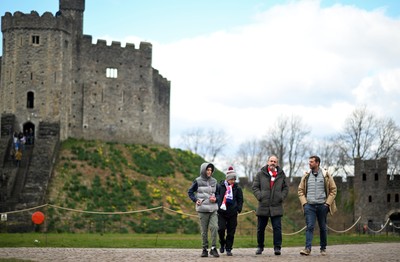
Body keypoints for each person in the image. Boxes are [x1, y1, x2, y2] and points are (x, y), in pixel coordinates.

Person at [298, 155, 337, 256]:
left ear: (317, 163)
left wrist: (327, 204)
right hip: (309, 206)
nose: (309, 163)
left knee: (323, 227)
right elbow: (300, 190)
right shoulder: (306, 176)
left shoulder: (326, 175)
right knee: (309, 226)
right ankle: (307, 249)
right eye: (309, 161)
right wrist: (305, 203)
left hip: (322, 206)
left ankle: (323, 248)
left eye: (311, 162)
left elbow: (333, 190)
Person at [252, 155, 288, 256]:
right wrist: (260, 196)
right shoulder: (260, 174)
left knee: (277, 228)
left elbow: (286, 188)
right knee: (260, 228)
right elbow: (255, 187)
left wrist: (281, 197)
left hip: (276, 205)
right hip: (263, 205)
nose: (273, 163)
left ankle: (277, 248)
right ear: (268, 162)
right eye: (271, 161)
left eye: (275, 161)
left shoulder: (281, 174)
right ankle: (260, 246)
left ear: (277, 163)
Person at [188, 162, 220, 258]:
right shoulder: (197, 181)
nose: (209, 172)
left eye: (210, 170)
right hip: (202, 209)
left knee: (214, 227)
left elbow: (218, 194)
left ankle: (213, 248)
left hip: (213, 209)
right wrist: (195, 200)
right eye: (207, 170)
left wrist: (216, 199)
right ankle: (204, 249)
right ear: (203, 170)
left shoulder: (214, 181)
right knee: (204, 231)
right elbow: (190, 192)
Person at [216, 166, 243, 256]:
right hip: (221, 212)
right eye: (231, 179)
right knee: (221, 229)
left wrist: (238, 209)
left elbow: (240, 199)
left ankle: (228, 248)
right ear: (227, 179)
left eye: (234, 179)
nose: (233, 181)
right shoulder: (220, 186)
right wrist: (218, 205)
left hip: (232, 213)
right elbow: (216, 195)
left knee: (231, 232)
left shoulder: (237, 188)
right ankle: (222, 242)